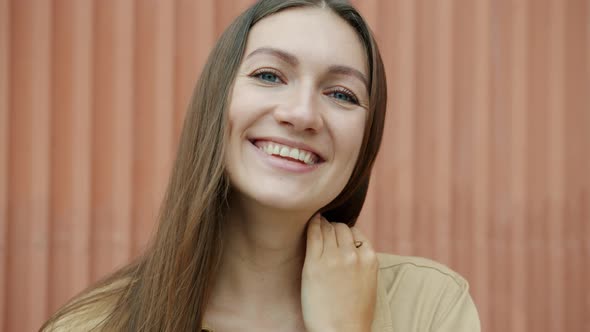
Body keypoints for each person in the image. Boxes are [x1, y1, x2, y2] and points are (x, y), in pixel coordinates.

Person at [41, 0, 480, 331]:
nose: (303, 114)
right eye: (269, 75)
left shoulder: (430, 306)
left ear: (366, 139)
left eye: (342, 94)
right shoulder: (93, 324)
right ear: (216, 102)